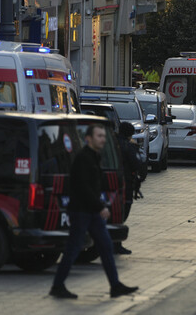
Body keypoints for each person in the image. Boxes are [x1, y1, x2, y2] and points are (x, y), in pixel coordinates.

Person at [50, 124, 138, 299]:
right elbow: (83, 188)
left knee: (105, 246)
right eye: (99, 136)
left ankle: (115, 286)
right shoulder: (83, 158)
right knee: (73, 249)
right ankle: (58, 286)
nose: (103, 139)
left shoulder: (95, 157)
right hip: (81, 212)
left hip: (91, 213)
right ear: (88, 139)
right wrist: (100, 207)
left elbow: (95, 184)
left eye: (104, 136)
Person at [115, 121, 146, 255]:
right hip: (125, 185)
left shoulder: (112, 143)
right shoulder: (128, 147)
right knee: (122, 214)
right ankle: (116, 243)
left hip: (111, 184)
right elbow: (138, 164)